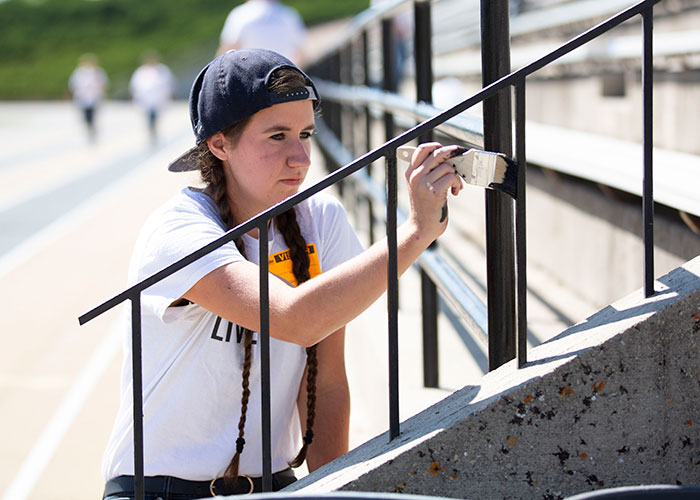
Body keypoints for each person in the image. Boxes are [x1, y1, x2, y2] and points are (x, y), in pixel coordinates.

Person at [101, 48, 463, 500]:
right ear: (219, 144)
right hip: (162, 490)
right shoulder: (178, 228)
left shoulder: (321, 219)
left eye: (306, 134)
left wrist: (335, 487)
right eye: (277, 136)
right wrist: (415, 233)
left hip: (276, 486)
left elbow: (326, 381)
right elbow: (294, 318)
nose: (301, 158)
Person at [218, 0, 307, 65]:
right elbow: (301, 53)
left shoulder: (240, 15)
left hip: (249, 78)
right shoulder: (289, 14)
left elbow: (226, 52)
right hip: (283, 78)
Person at [129, 50, 176, 144]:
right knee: (149, 117)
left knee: (156, 116)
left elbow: (169, 83)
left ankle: (154, 131)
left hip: (159, 99)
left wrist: (169, 94)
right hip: (145, 100)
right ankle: (151, 131)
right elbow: (135, 85)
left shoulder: (162, 70)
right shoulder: (141, 71)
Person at [68, 53, 109, 142]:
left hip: (94, 97)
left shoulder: (98, 72)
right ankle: (89, 127)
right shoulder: (79, 72)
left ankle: (92, 128)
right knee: (85, 116)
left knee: (93, 115)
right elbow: (73, 85)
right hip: (82, 98)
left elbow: (103, 84)